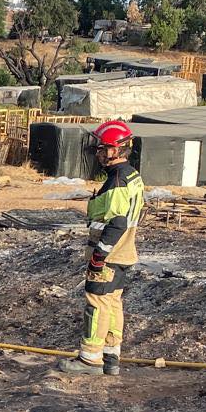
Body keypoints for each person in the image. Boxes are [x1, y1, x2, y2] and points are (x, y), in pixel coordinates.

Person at [57, 119, 145, 377]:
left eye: (101, 148)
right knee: (113, 301)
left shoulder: (117, 180)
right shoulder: (132, 176)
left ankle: (89, 359)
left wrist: (99, 255)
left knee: (96, 303)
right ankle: (110, 357)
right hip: (124, 252)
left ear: (114, 149)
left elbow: (117, 222)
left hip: (110, 254)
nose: (98, 153)